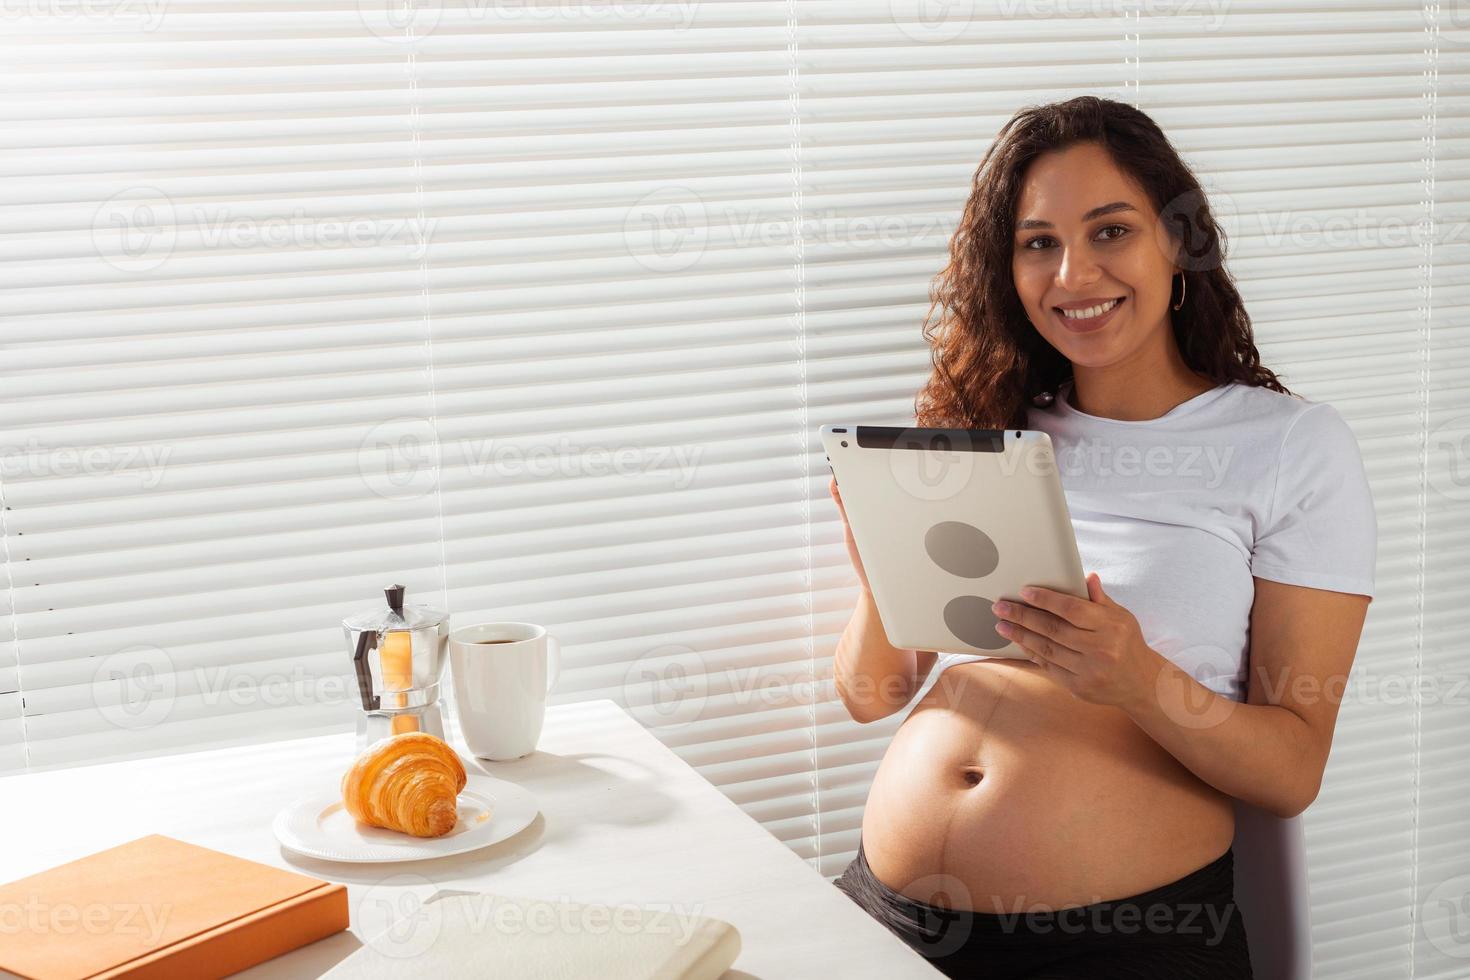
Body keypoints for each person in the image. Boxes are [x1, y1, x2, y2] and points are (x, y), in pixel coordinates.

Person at [829, 95, 1377, 979]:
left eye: (1111, 231)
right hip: (883, 919)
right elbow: (870, 693)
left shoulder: (1289, 446)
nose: (1073, 274)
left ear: (1177, 243)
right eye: (1038, 242)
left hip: (1117, 943)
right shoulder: (989, 429)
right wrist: (876, 576)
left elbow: (1292, 767)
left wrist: (1140, 681)